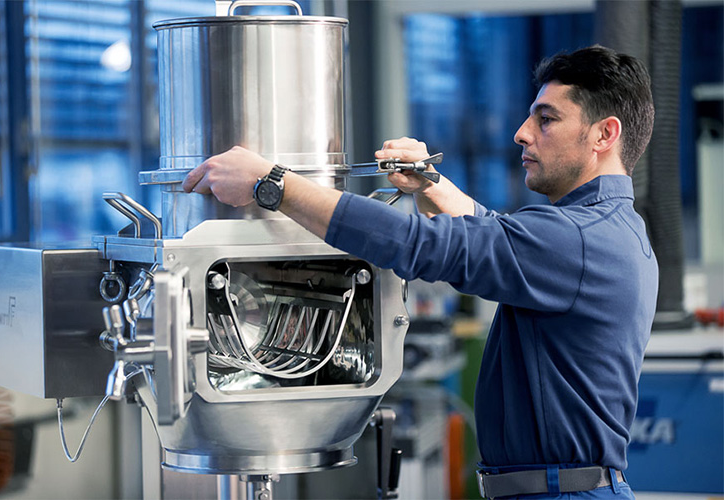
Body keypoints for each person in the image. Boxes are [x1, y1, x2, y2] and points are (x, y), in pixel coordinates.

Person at [182, 45, 658, 499]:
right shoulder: (606, 230)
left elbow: (417, 244)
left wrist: (273, 184)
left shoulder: (575, 238)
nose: (522, 132)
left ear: (604, 134)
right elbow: (500, 238)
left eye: (546, 118)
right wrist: (431, 184)